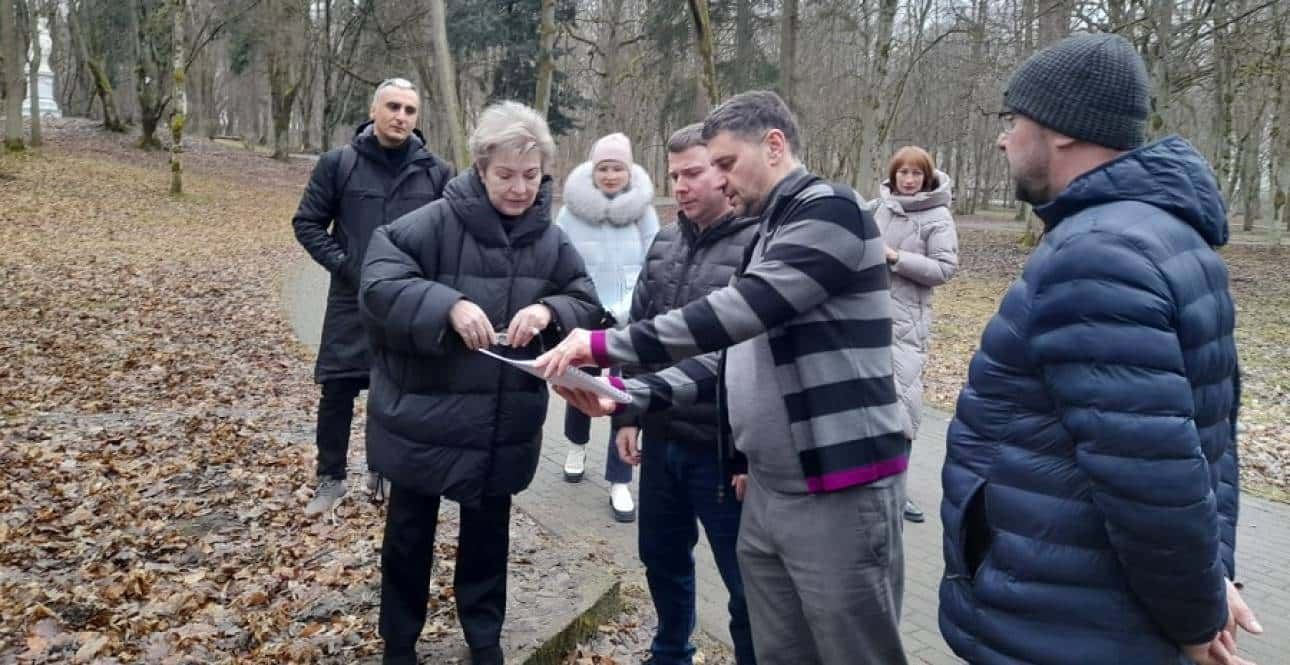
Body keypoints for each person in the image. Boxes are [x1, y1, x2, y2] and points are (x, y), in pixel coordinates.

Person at [538, 90, 909, 665]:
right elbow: (731, 357)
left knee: (851, 650)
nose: (720, 181)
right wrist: (627, 394)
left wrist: (597, 344)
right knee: (776, 649)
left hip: (840, 482)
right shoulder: (767, 233)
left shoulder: (832, 211)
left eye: (727, 165)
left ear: (775, 146)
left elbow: (735, 314)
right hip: (770, 484)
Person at [938, 33, 1259, 665]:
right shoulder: (1164, 233)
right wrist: (1208, 584)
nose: (1003, 139)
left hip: (1063, 621)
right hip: (1091, 609)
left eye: (1012, 120)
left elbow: (1150, 476)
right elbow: (1199, 445)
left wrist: (1195, 619)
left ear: (1060, 130)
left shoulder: (1097, 255)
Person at [357, 101, 602, 665]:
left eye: (532, 176)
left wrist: (548, 311)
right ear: (481, 168)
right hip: (422, 417)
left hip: (500, 422)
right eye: (506, 176)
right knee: (409, 537)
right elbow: (377, 283)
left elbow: (586, 300)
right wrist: (447, 305)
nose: (520, 189)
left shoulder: (550, 238)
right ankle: (399, 642)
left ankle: (484, 638)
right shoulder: (431, 222)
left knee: (488, 539)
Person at [613, 123, 758, 664]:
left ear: (724, 171)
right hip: (661, 437)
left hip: (723, 450)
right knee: (662, 558)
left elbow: (753, 357)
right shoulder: (665, 241)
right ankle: (671, 652)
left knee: (745, 584)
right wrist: (626, 415)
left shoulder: (758, 243)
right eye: (674, 175)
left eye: (693, 173)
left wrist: (748, 454)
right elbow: (639, 333)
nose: (681, 186)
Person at [291, 77, 452, 515]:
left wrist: (428, 287)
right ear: (374, 109)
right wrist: (347, 266)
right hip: (350, 298)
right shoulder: (338, 164)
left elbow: (449, 235)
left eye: (409, 110)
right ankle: (330, 478)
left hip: (407, 304)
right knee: (338, 389)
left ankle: (384, 469)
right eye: (393, 107)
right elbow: (307, 223)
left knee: (395, 390)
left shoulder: (437, 172)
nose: (401, 117)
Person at [556, 131, 660, 521]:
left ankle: (620, 479)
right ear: (593, 169)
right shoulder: (570, 212)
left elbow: (656, 261)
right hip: (584, 314)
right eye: (604, 168)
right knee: (580, 386)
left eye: (618, 167)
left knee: (620, 394)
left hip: (628, 319)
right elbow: (560, 261)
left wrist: (640, 307)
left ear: (629, 170)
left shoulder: (644, 211)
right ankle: (575, 446)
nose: (611, 175)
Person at [872, 146, 958, 523]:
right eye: (903, 173)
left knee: (903, 411)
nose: (908, 180)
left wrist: (896, 258)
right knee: (870, 408)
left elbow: (944, 268)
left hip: (906, 325)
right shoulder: (880, 207)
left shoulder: (937, 216)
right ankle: (870, 486)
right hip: (869, 318)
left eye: (916, 174)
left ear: (926, 177)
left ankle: (898, 491)